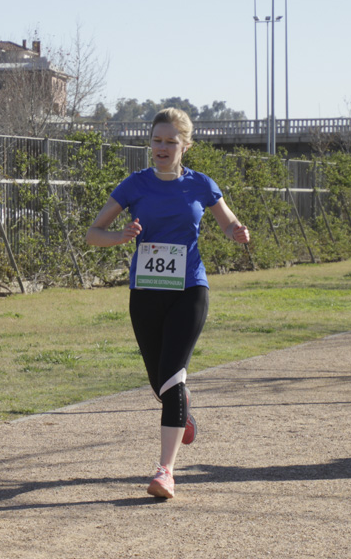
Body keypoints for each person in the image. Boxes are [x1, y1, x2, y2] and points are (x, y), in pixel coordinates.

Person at [86, 107, 250, 499]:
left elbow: (227, 222)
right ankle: (183, 413)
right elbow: (94, 233)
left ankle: (165, 470)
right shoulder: (134, 185)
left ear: (185, 146)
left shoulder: (201, 185)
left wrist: (236, 232)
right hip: (146, 292)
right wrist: (122, 236)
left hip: (190, 289)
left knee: (173, 375)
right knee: (161, 382)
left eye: (170, 142)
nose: (162, 148)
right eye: (157, 140)